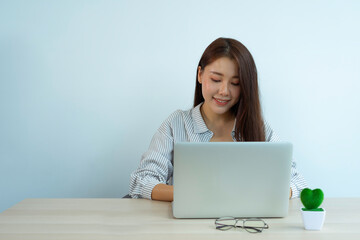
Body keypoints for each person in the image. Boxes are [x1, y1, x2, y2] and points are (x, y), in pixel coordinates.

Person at [129, 37, 307, 201]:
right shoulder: (177, 124)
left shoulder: (257, 126)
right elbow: (141, 181)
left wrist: (259, 194)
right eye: (216, 79)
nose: (224, 91)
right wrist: (197, 195)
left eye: (235, 83)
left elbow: (297, 182)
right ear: (200, 75)